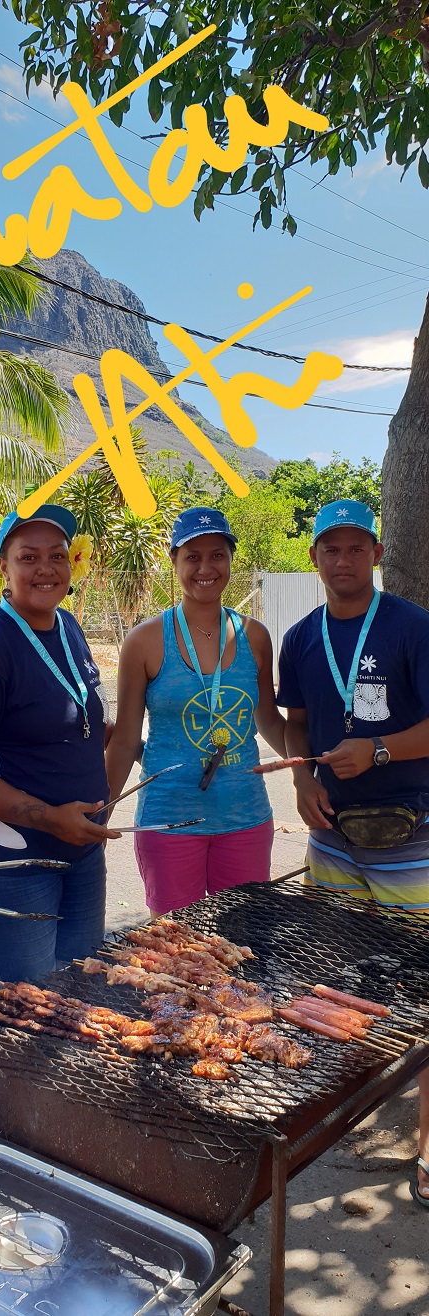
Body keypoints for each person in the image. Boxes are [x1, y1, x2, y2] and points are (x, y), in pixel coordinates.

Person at [277, 497, 429, 1209]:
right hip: (331, 837)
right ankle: (354, 1115)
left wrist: (375, 750)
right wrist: (304, 778)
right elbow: (297, 723)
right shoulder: (302, 636)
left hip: (411, 836)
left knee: (424, 989)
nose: (342, 559)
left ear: (376, 553)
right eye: (329, 548)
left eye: (355, 546)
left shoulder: (410, 626)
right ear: (314, 559)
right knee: (341, 977)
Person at [0, 504, 118, 988]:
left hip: (79, 852)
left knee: (81, 992)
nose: (46, 569)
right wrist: (50, 817)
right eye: (28, 557)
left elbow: (80, 720)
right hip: (12, 864)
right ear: (3, 565)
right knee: (29, 1013)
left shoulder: (68, 628)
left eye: (57, 556)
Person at [105, 507, 286, 915]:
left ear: (230, 560)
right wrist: (102, 811)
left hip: (245, 817)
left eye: (217, 555)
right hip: (169, 821)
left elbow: (269, 720)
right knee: (178, 954)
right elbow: (126, 738)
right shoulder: (145, 641)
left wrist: (309, 772)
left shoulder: (254, 636)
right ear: (174, 561)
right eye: (193, 556)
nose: (206, 567)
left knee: (242, 947)